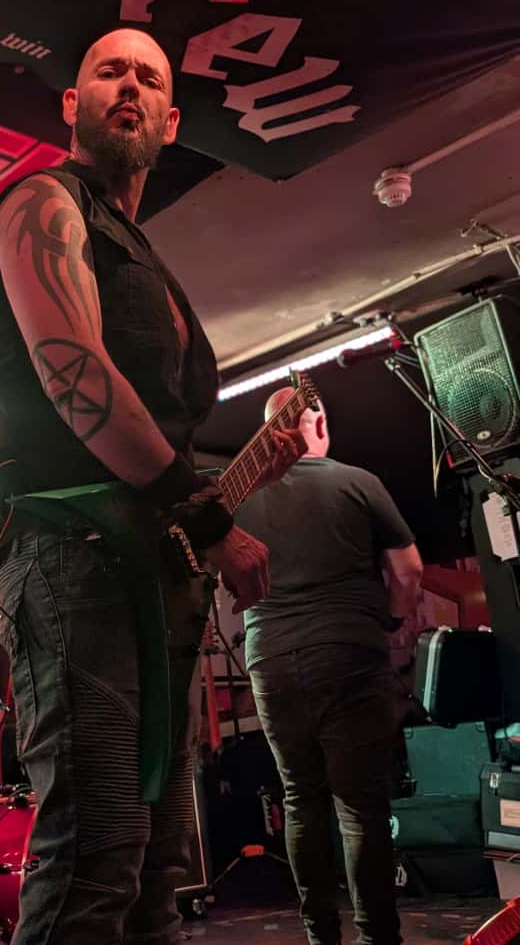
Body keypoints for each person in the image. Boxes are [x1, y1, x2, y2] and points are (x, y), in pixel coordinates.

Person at [0, 28, 305, 945]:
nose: (129, 85)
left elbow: (157, 438)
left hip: (152, 567)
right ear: (71, 104)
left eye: (148, 77)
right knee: (96, 853)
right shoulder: (43, 202)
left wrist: (228, 490)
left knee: (158, 865)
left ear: (171, 120)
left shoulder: (144, 256)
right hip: (73, 557)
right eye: (108, 71)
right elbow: (73, 373)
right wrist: (210, 519)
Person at [236, 389, 423, 945]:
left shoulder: (240, 497)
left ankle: (321, 936)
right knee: (360, 804)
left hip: (270, 658)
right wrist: (391, 621)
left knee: (300, 798)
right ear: (316, 423)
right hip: (347, 652)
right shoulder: (357, 482)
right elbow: (409, 572)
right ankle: (376, 936)